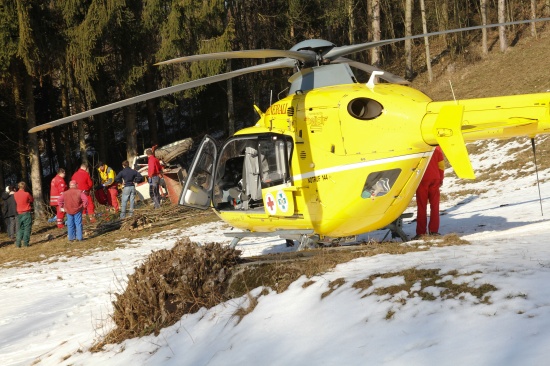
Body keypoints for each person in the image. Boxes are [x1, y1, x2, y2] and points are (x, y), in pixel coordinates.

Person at [414, 146, 445, 239]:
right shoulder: (438, 148)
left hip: (422, 179)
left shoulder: (418, 146)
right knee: (435, 206)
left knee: (422, 206)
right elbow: (441, 165)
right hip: (435, 179)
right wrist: (441, 178)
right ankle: (434, 231)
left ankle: (421, 232)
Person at [14, 182, 33, 248]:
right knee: (27, 228)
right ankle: (25, 243)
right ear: (24, 187)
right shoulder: (26, 194)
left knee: (20, 229)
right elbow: (32, 199)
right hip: (26, 212)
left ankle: (18, 243)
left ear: (18, 187)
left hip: (19, 213)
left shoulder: (15, 194)